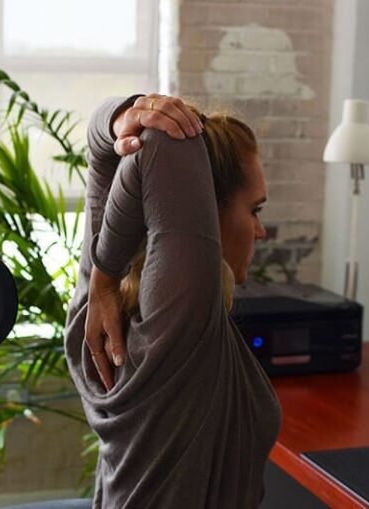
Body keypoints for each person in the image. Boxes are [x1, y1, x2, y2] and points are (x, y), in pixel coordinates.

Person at [64, 94, 282, 508]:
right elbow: (166, 143)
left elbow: (103, 146)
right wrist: (104, 277)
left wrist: (104, 278)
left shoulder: (94, 314)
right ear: (200, 212)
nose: (260, 231)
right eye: (254, 210)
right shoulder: (179, 325)